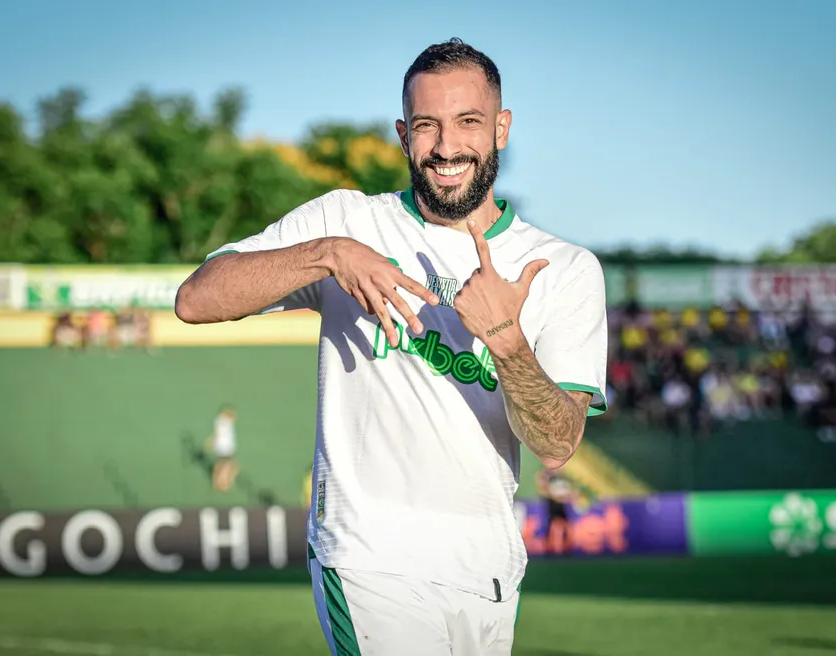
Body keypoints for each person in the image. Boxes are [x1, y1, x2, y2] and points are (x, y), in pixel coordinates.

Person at [176, 38, 608, 656]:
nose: (447, 146)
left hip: (489, 572)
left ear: (501, 129)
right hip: (369, 558)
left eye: (468, 122)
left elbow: (559, 443)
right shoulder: (347, 220)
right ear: (403, 134)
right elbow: (196, 299)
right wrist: (326, 253)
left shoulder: (565, 269)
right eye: (427, 125)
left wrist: (508, 343)